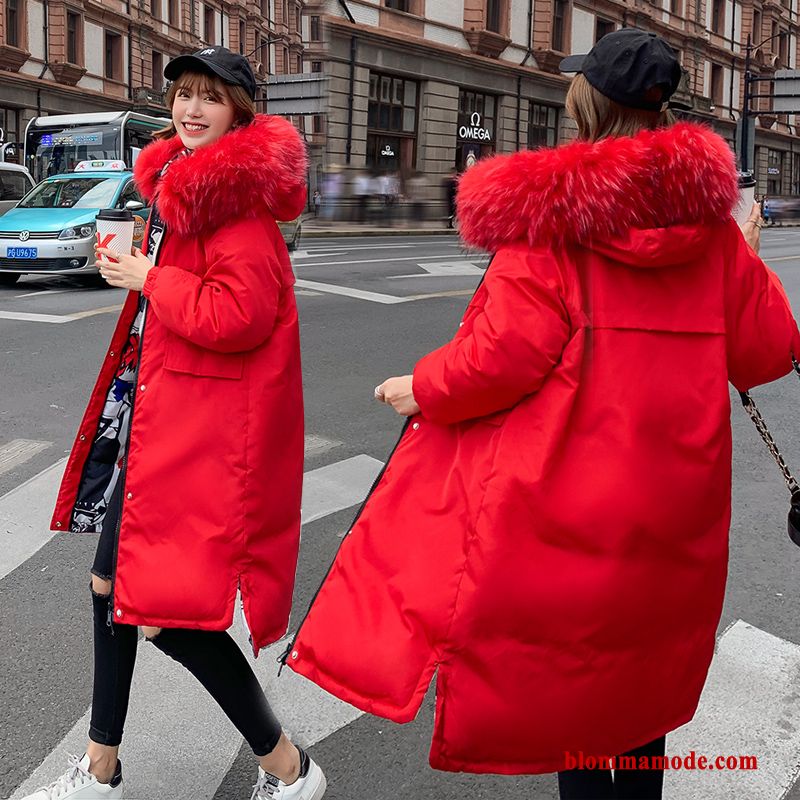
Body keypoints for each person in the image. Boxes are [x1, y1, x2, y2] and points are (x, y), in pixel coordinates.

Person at [283, 28, 799, 800]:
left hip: (566, 518)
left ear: (586, 101)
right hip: (674, 525)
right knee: (637, 709)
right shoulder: (715, 235)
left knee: (580, 717)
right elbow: (769, 351)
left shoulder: (555, 222)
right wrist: (746, 257)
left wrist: (417, 386)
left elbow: (498, 360)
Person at [32, 47, 325, 800]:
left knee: (165, 615)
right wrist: (144, 270)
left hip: (202, 442)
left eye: (209, 98)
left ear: (239, 112)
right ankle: (102, 766)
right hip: (162, 423)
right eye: (183, 95)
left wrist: (149, 278)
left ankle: (287, 766)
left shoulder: (239, 212)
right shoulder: (182, 195)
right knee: (111, 587)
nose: (190, 109)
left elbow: (240, 315)